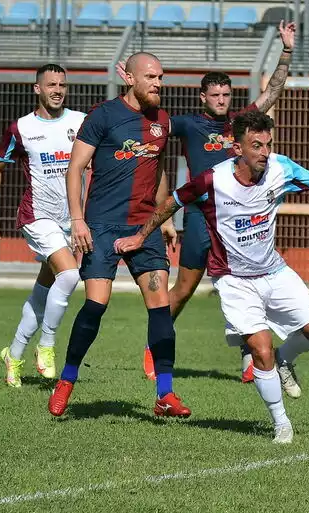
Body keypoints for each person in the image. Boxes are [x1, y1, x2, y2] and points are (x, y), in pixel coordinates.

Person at [116, 111, 309, 443]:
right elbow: (172, 203)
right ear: (237, 148)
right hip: (234, 280)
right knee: (260, 348)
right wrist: (140, 237)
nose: (264, 152)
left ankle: (286, 359)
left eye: (268, 144)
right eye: (256, 145)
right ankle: (281, 424)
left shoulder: (280, 168)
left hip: (274, 271)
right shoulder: (212, 180)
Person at [132, 22, 298, 384]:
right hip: (201, 219)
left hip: (240, 222)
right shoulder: (188, 125)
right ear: (203, 97)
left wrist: (286, 50)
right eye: (216, 95)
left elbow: (272, 92)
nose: (222, 100)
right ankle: (153, 346)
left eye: (226, 94)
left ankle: (250, 358)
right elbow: (148, 122)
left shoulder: (240, 124)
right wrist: (132, 87)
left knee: (250, 286)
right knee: (185, 289)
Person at [49, 52, 190, 418]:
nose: (158, 83)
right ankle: (66, 380)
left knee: (160, 307)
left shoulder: (163, 121)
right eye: (150, 77)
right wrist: (78, 220)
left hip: (145, 227)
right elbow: (75, 168)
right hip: (102, 225)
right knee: (97, 303)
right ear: (128, 77)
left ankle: (165, 393)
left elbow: (158, 172)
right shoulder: (103, 116)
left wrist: (165, 220)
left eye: (161, 76)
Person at [0, 63, 85, 388]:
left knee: (43, 293)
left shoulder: (80, 122)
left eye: (62, 85)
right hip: (38, 216)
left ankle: (13, 354)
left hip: (73, 220)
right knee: (69, 275)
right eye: (51, 84)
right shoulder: (21, 128)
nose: (57, 90)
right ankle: (47, 345)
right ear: (37, 88)